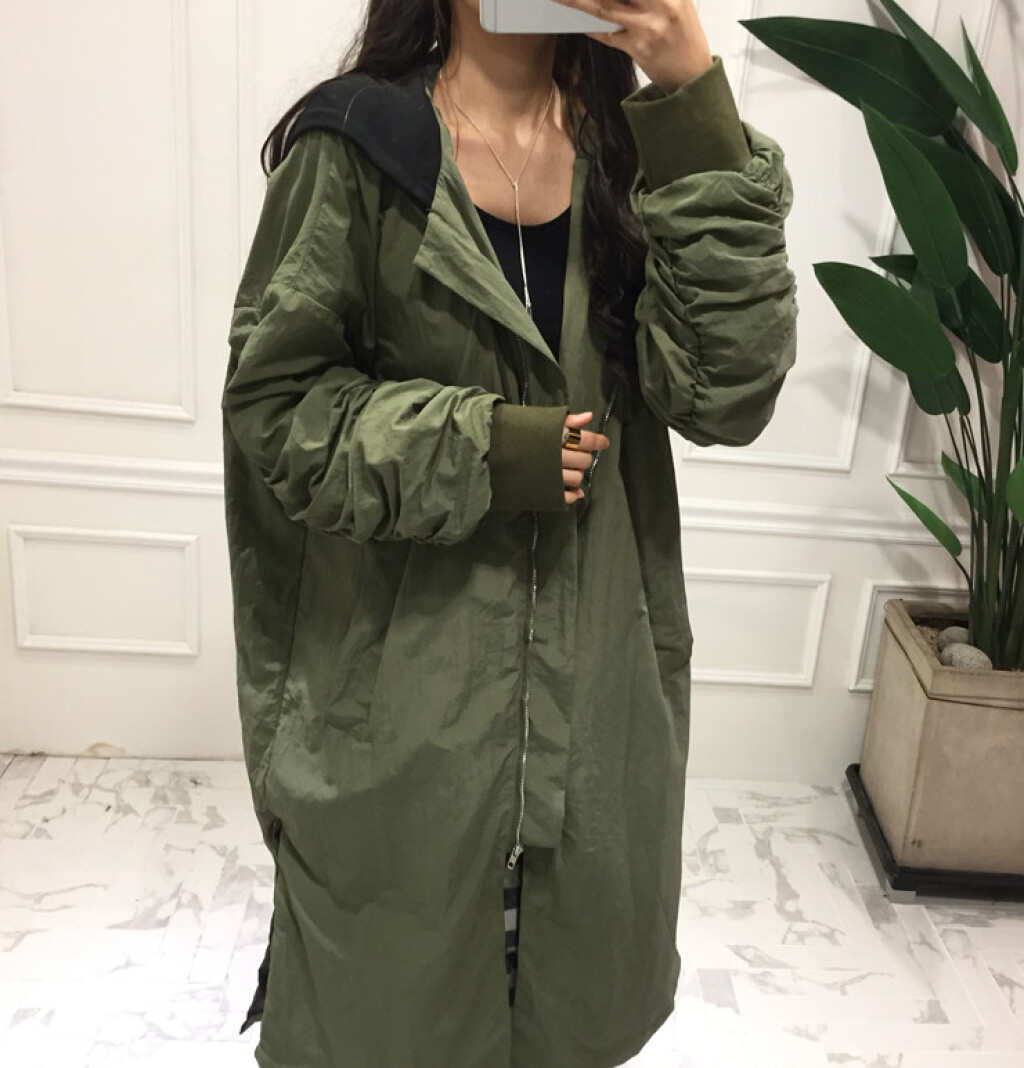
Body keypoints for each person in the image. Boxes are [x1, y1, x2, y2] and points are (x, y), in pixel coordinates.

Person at [220, 0, 798, 1064]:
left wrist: (688, 96)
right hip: (402, 710)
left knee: (570, 1002)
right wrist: (479, 446)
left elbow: (727, 394)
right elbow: (277, 409)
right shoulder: (361, 148)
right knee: (391, 1010)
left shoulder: (638, 156)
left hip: (600, 700)